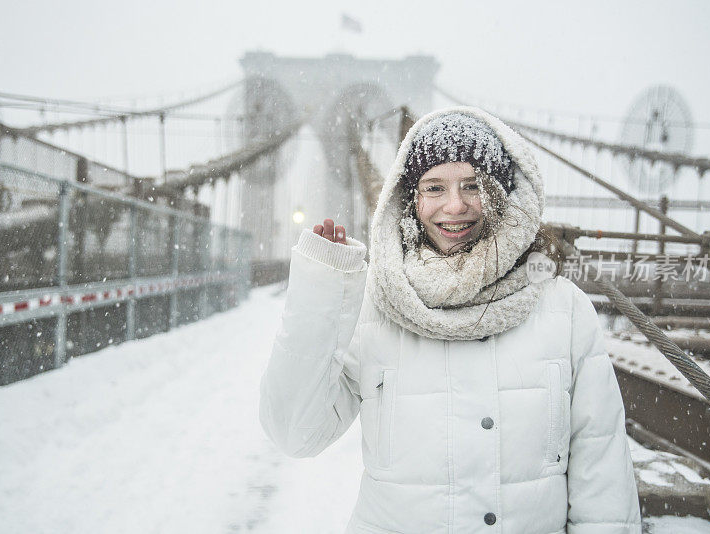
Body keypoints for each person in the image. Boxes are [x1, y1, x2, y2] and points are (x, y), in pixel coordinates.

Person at [259, 107, 641, 533]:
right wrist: (321, 293)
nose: (454, 206)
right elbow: (296, 432)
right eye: (434, 187)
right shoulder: (376, 309)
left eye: (473, 186)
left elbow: (603, 476)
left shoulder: (563, 309)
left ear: (503, 192)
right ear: (411, 200)